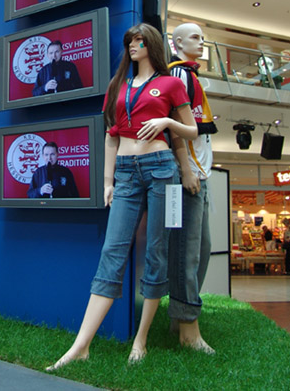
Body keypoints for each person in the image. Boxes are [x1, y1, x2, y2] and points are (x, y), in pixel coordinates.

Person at [46, 23, 197, 371]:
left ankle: (141, 339)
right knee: (112, 251)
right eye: (130, 41)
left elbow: (191, 130)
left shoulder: (170, 84)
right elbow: (110, 136)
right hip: (126, 173)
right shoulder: (119, 86)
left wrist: (167, 123)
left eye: (139, 41)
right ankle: (81, 345)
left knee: (156, 250)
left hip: (162, 168)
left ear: (151, 45)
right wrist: (107, 180)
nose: (133, 46)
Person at [167, 22, 218, 354]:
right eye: (195, 37)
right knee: (188, 251)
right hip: (190, 175)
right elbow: (176, 125)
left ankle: (181, 316)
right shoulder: (180, 75)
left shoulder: (192, 76)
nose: (201, 43)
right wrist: (186, 169)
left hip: (200, 174)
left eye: (202, 37)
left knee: (201, 249)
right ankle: (187, 326)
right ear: (177, 43)